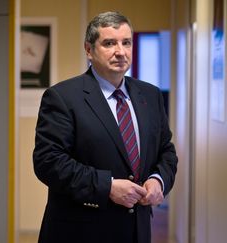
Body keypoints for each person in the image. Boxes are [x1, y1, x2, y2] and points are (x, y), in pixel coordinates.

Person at [33, 11, 178, 243]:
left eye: (126, 42)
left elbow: (166, 150)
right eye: (109, 43)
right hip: (81, 231)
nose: (120, 52)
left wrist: (158, 179)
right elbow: (48, 162)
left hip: (136, 230)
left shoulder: (150, 95)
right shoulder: (62, 97)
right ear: (89, 50)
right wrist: (107, 186)